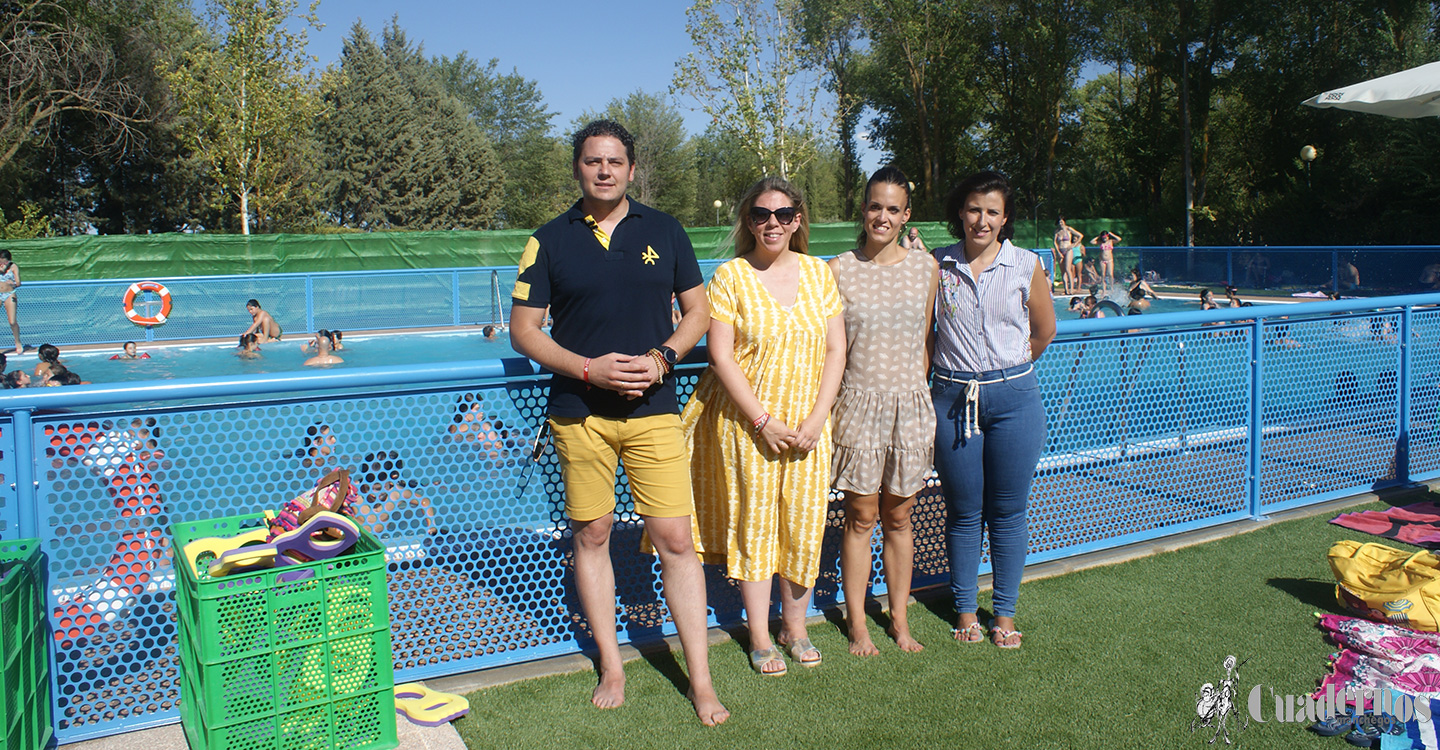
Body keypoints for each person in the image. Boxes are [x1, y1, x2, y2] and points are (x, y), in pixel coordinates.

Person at [507, 119, 726, 725]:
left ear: (631, 169)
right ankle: (611, 661)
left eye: (614, 162)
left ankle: (701, 679)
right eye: (592, 161)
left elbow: (699, 312)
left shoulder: (665, 230)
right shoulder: (549, 241)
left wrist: (662, 358)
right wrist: (586, 369)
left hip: (654, 412)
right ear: (577, 168)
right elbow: (523, 330)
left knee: (677, 540)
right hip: (580, 415)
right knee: (593, 535)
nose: (604, 171)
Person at [684, 176, 845, 675]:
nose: (771, 223)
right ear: (748, 220)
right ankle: (759, 635)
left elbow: (837, 348)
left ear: (798, 219)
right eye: (760, 214)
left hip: (810, 427)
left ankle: (795, 627)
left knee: (801, 524)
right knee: (755, 525)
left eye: (783, 214)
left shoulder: (820, 274)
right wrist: (763, 420)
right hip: (750, 426)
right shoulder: (730, 276)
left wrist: (818, 418)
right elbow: (721, 355)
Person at [931, 171, 1055, 650]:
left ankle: (1003, 612)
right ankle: (965, 609)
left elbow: (1043, 332)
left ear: (1005, 219)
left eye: (992, 212)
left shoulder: (1027, 265)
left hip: (1014, 401)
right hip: (952, 399)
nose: (981, 220)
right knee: (963, 512)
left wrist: (1005, 376)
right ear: (959, 213)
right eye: (973, 209)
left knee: (1007, 512)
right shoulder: (936, 265)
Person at [828, 167, 937, 656]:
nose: (883, 216)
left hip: (911, 407)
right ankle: (858, 624)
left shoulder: (926, 267)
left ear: (906, 215)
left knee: (899, 518)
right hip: (858, 405)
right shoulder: (838, 269)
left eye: (894, 209)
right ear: (864, 209)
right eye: (876, 206)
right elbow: (829, 350)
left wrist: (916, 389)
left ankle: (899, 620)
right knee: (861, 517)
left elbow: (928, 342)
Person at [1052, 217, 1084, 294]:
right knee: (1063, 271)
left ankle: (1071, 288)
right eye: (1059, 222)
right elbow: (1055, 242)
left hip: (1068, 250)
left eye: (1062, 222)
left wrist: (1074, 244)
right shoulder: (1057, 231)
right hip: (1061, 250)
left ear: (1064, 222)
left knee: (1067, 269)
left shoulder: (1068, 229)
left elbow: (1080, 236)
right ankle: (1066, 289)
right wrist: (1058, 252)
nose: (1061, 224)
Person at [0, 250, 22, 355]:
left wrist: (12, 283)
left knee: (12, 321)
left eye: (5, 262)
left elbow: (18, 283)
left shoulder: (13, 267)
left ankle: (17, 342)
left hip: (9, 294)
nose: (3, 264)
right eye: (1, 262)